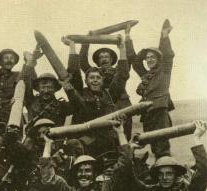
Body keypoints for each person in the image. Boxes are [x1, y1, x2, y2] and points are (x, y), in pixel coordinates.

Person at [65, 36, 129, 157]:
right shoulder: (81, 93)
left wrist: (122, 48)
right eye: (91, 78)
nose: (95, 80)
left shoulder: (110, 94)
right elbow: (74, 72)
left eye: (98, 78)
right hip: (85, 143)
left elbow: (123, 76)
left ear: (103, 81)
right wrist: (72, 46)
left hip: (108, 142)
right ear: (86, 81)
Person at [79, 26, 136, 139]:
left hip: (122, 105)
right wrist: (86, 41)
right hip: (105, 106)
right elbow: (83, 62)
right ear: (98, 61)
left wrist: (127, 37)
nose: (104, 59)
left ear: (111, 60)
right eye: (101, 57)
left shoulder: (120, 70)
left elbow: (129, 57)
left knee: (125, 133)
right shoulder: (95, 74)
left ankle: (128, 155)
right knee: (107, 134)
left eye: (106, 56)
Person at [131, 19, 175, 158]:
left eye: (152, 57)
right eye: (147, 58)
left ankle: (166, 169)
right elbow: (136, 63)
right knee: (154, 146)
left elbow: (167, 54)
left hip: (160, 112)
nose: (149, 59)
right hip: (148, 114)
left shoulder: (164, 71)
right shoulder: (146, 76)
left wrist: (164, 36)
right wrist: (140, 49)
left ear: (159, 59)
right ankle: (160, 169)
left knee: (162, 145)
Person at [20, 50, 79, 128]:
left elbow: (77, 106)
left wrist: (69, 90)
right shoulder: (31, 101)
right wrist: (30, 62)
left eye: (50, 87)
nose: (46, 90)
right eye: (43, 87)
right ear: (37, 88)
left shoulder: (62, 105)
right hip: (34, 138)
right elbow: (26, 80)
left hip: (56, 137)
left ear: (55, 89)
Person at [0, 49, 25, 123]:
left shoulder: (18, 76)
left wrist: (16, 101)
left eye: (12, 58)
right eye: (6, 58)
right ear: (0, 61)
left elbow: (24, 94)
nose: (9, 60)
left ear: (14, 62)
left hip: (12, 117)